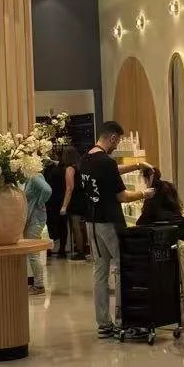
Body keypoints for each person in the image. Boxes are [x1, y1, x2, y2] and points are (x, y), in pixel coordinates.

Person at [80, 120, 126, 337]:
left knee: (100, 271)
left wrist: (135, 166)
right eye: (118, 141)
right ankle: (121, 319)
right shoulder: (106, 162)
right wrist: (145, 195)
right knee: (121, 268)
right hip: (110, 222)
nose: (117, 145)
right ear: (113, 138)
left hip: (92, 221)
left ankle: (103, 323)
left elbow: (111, 173)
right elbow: (122, 196)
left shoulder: (86, 160)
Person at [23, 167, 52, 293]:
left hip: (36, 218)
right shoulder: (28, 178)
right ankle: (38, 283)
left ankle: (39, 285)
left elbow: (47, 190)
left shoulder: (34, 176)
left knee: (33, 252)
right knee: (32, 252)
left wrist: (40, 202)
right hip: (32, 218)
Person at [59, 143, 89, 259]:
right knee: (84, 226)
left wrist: (64, 206)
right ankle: (86, 249)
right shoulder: (81, 166)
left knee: (75, 226)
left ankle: (80, 252)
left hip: (75, 200)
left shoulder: (70, 169)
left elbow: (69, 188)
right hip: (83, 199)